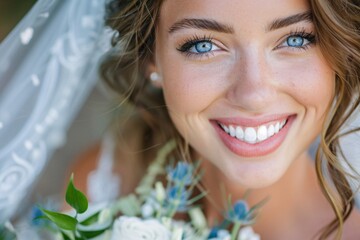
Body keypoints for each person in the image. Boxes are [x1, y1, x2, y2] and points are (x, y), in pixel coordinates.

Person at [71, 0, 360, 239]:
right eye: (203, 46)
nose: (253, 95)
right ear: (152, 59)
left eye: (295, 40)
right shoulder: (99, 186)